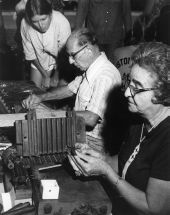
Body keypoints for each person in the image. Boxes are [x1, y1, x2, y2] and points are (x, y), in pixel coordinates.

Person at [68, 42, 170, 215]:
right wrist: (98, 158)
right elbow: (126, 161)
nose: (127, 93)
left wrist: (106, 171)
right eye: (129, 83)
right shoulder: (139, 119)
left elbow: (154, 208)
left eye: (137, 87)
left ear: (163, 93)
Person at [22, 28, 121, 151]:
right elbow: (69, 89)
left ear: (88, 50)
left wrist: (51, 114)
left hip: (95, 144)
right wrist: (41, 97)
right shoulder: (91, 69)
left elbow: (91, 118)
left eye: (73, 55)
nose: (70, 61)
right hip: (81, 135)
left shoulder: (105, 76)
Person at [20, 0, 71, 89]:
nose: (40, 25)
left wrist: (56, 76)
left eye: (43, 19)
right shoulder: (25, 23)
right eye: (35, 21)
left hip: (63, 60)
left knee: (58, 92)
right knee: (35, 91)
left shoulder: (61, 22)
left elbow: (65, 56)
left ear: (50, 14)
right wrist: (45, 75)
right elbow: (30, 54)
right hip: (40, 58)